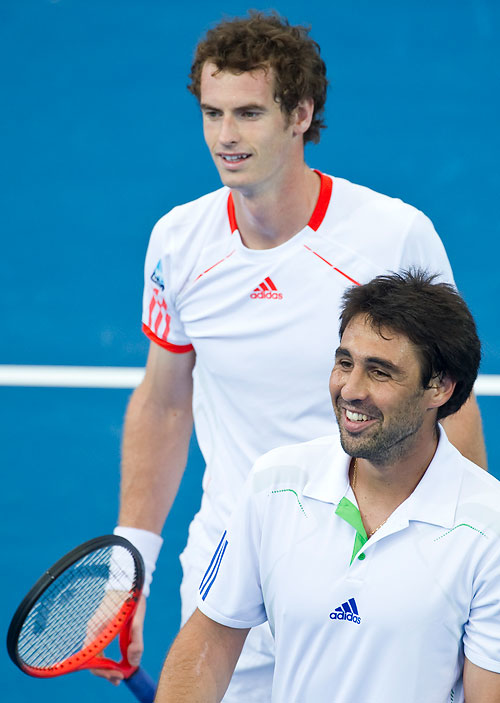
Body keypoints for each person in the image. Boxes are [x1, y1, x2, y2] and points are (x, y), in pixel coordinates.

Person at [107, 11, 486, 701]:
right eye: (213, 113)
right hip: (234, 561)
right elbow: (164, 404)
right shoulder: (178, 243)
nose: (226, 136)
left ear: (301, 114)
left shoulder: (393, 235)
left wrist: (470, 558)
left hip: (376, 565)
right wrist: (128, 568)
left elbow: (448, 400)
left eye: (249, 113)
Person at [155, 270, 500, 703]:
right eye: (345, 363)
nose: (350, 390)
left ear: (440, 387)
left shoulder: (490, 529)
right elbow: (209, 643)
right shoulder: (275, 484)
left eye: (380, 372)